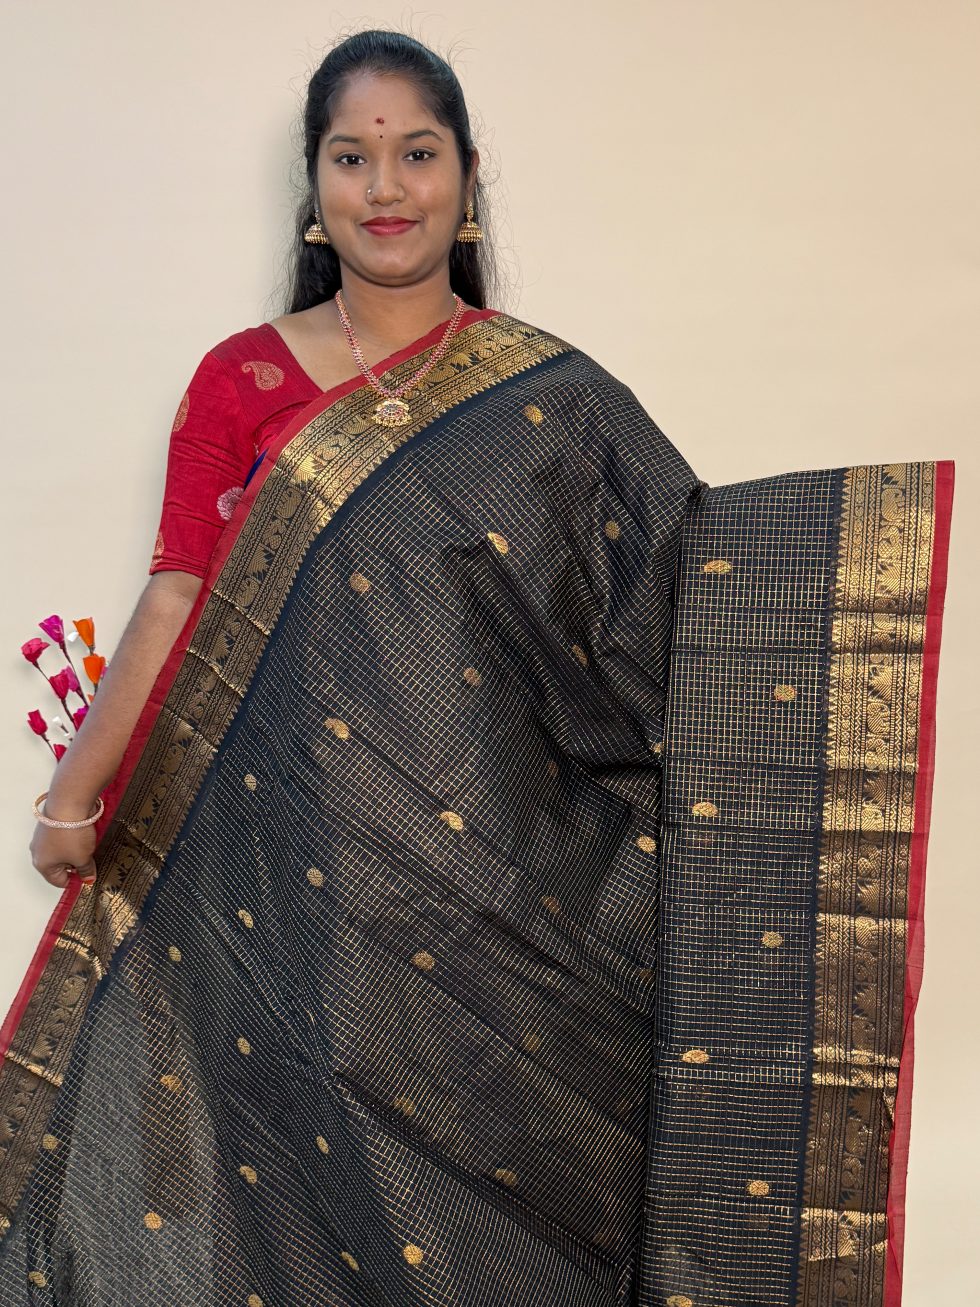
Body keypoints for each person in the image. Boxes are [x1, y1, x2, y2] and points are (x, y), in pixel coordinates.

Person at [0, 28, 953, 1307]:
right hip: (279, 877)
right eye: (352, 157)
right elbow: (178, 590)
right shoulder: (243, 379)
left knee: (485, 1210)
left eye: (416, 153)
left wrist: (853, 569)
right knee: (282, 1202)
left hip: (494, 891)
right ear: (313, 188)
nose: (385, 186)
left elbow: (681, 585)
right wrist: (75, 796)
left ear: (464, 179)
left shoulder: (551, 397)